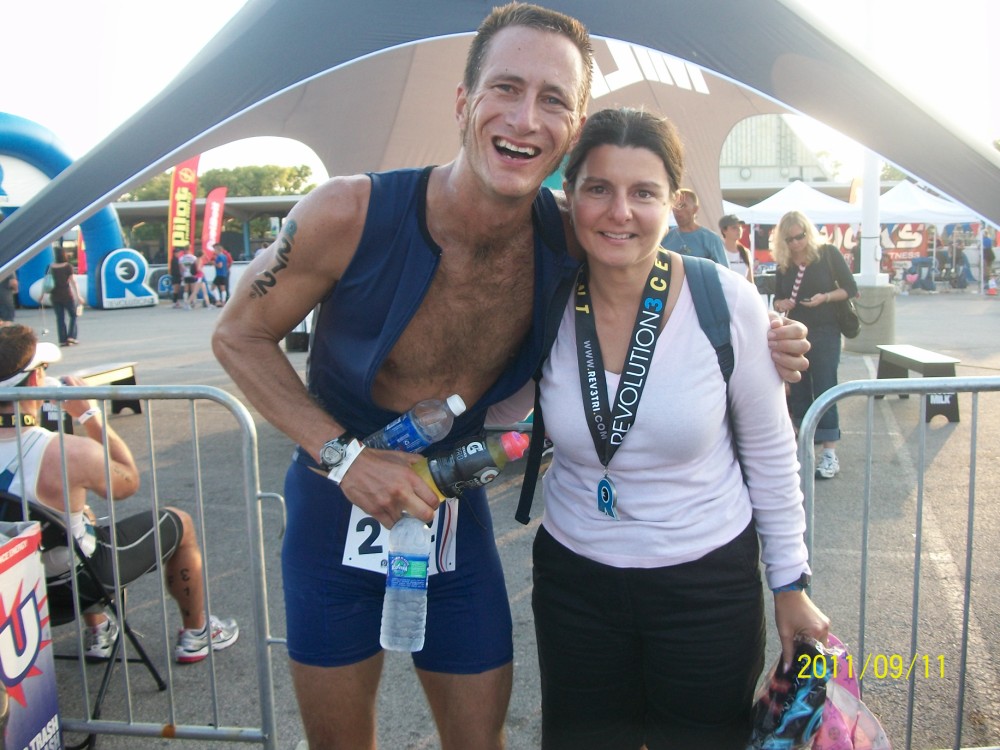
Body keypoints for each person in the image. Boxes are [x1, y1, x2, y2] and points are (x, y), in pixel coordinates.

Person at [212, 5, 811, 748]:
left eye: (553, 99)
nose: (526, 118)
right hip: (334, 508)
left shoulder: (569, 233)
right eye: (506, 88)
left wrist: (765, 331)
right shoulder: (348, 211)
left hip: (450, 514)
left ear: (575, 126)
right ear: (464, 101)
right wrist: (347, 458)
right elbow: (238, 335)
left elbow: (652, 265)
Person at [487, 107, 829, 749]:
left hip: (705, 585)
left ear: (673, 202)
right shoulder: (547, 300)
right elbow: (498, 411)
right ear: (570, 197)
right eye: (598, 188)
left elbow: (770, 453)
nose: (620, 211)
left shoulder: (725, 301)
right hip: (576, 582)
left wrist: (790, 584)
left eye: (643, 192)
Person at [0, 324, 239, 663]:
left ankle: (100, 629)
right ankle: (197, 632)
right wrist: (89, 415)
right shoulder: (66, 452)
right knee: (179, 523)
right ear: (36, 380)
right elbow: (128, 481)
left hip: (15, 593)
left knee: (76, 521)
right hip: (73, 587)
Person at [773, 211, 859, 479]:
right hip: (795, 332)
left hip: (825, 329)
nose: (796, 243)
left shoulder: (827, 254)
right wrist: (781, 303)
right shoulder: (784, 263)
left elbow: (850, 288)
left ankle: (830, 453)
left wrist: (826, 297)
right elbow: (777, 298)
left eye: (800, 236)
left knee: (825, 386)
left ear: (808, 232)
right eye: (789, 239)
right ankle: (803, 447)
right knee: (797, 387)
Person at [661, 187, 728, 266]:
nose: (677, 210)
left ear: (695, 209)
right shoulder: (666, 237)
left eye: (682, 206)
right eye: (674, 206)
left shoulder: (711, 239)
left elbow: (722, 270)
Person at [48, 246, 80, 346]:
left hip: (54, 296)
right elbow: (73, 282)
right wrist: (78, 296)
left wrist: (41, 295)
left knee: (60, 318)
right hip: (67, 295)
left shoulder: (50, 267)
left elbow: (46, 282)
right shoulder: (67, 266)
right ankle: (71, 337)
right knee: (73, 315)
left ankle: (62, 340)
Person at [719, 213, 754, 282]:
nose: (738, 230)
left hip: (743, 289)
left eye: (740, 227)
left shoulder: (745, 252)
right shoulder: (719, 251)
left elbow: (750, 280)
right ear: (724, 230)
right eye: (734, 228)